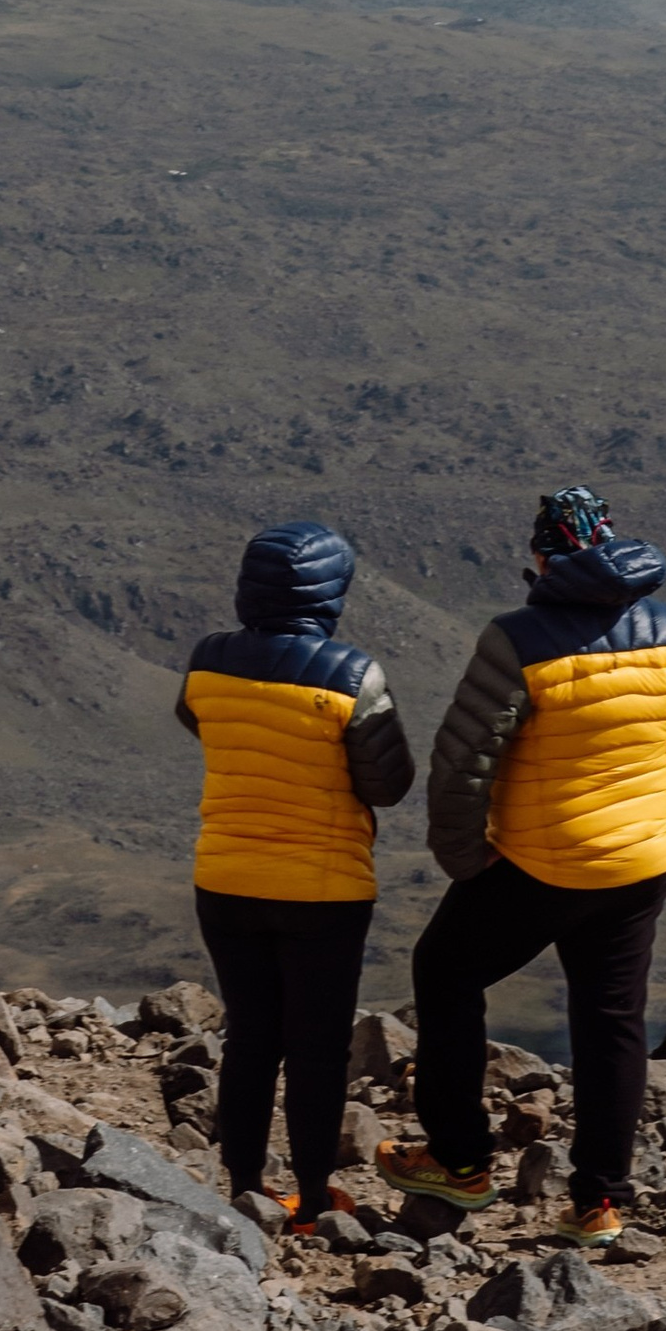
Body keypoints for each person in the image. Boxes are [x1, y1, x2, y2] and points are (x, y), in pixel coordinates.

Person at [380, 483, 666, 1253]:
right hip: (642, 863)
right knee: (611, 1020)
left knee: (444, 969)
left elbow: (463, 762)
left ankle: (460, 1160)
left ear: (541, 558)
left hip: (540, 862)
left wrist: (467, 860)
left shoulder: (518, 639)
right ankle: (599, 1201)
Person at [176, 518, 415, 1227]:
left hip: (224, 879)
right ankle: (313, 1197)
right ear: (330, 591)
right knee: (316, 1046)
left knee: (251, 1035)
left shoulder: (206, 660)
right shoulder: (352, 675)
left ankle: (244, 1185)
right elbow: (389, 782)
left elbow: (198, 719)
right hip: (324, 889)